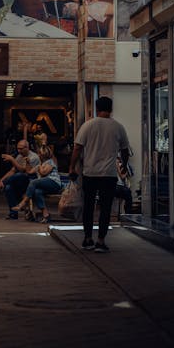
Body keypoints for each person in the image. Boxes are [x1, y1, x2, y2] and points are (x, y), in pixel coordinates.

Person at [69, 96, 130, 252]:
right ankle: (101, 241)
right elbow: (125, 150)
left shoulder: (87, 126)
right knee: (105, 208)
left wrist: (72, 167)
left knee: (88, 206)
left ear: (96, 108)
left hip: (90, 173)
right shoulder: (118, 127)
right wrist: (123, 165)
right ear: (111, 109)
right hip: (109, 175)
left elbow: (77, 148)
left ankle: (88, 239)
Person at [11, 145, 62, 223]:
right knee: (37, 192)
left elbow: (43, 173)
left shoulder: (50, 162)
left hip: (54, 183)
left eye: (40, 154)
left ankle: (23, 203)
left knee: (33, 182)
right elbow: (29, 171)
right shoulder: (39, 165)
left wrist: (40, 166)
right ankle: (46, 215)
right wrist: (28, 162)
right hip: (46, 185)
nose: (39, 155)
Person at [0, 139, 40, 220]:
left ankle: (5, 183)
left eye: (21, 149)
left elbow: (23, 170)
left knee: (20, 175)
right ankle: (13, 214)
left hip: (31, 180)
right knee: (8, 187)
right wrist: (1, 180)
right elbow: (13, 170)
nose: (19, 151)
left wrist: (12, 159)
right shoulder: (20, 156)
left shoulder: (33, 157)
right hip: (20, 181)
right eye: (18, 149)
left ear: (27, 148)